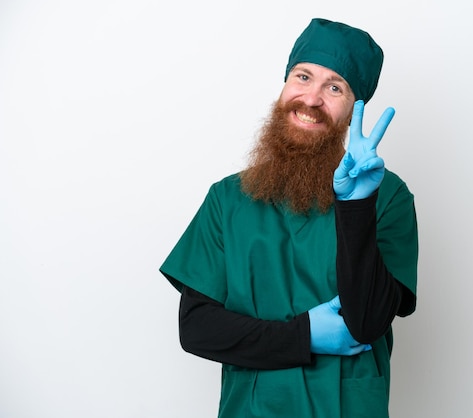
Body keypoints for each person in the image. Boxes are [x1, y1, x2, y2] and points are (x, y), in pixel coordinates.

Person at [159, 17, 418, 418]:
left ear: (353, 110)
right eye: (302, 77)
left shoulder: (386, 198)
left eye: (335, 87)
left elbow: (367, 323)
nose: (311, 99)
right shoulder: (227, 199)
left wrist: (355, 206)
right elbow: (197, 329)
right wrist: (304, 335)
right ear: (284, 87)